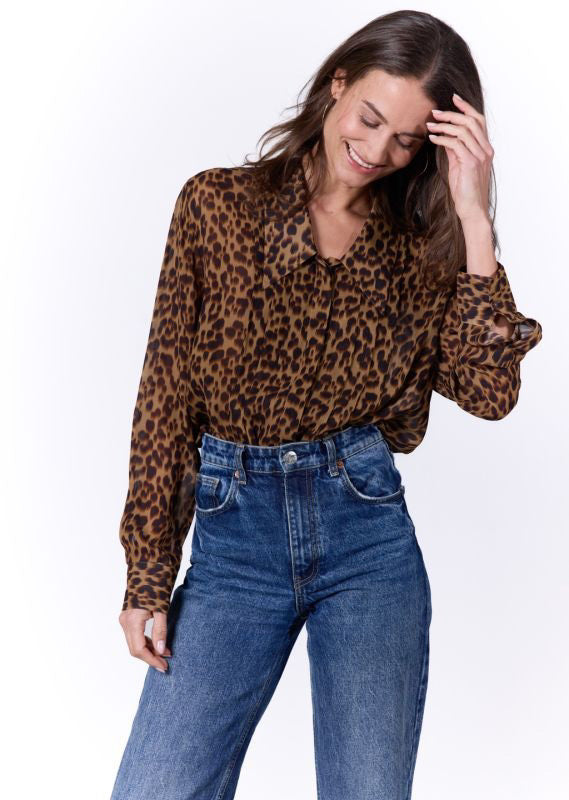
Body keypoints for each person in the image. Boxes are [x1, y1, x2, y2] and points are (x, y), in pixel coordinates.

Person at [110, 10, 542, 800]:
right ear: (336, 83)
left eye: (408, 140)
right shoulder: (217, 208)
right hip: (233, 545)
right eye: (370, 118)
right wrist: (147, 574)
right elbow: (164, 396)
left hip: (367, 540)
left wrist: (475, 219)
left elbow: (489, 393)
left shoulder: (421, 246)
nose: (379, 151)